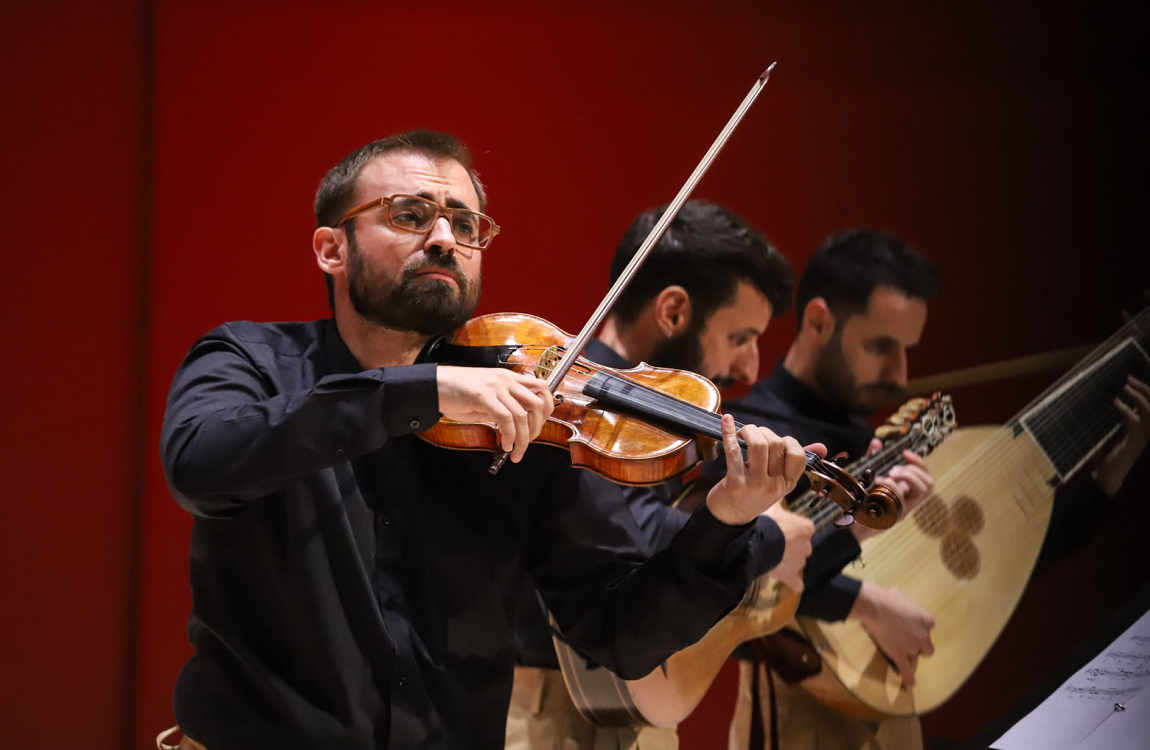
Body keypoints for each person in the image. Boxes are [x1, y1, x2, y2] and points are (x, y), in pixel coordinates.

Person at [156, 130, 817, 750]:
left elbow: (620, 635)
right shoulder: (250, 361)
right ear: (332, 248)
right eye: (410, 214)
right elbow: (202, 464)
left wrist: (725, 518)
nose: (445, 238)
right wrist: (424, 391)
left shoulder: (521, 421)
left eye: (466, 224)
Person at [505, 200, 816, 750]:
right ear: (672, 312)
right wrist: (762, 534)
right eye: (740, 337)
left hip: (630, 717)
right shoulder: (564, 414)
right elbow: (637, 538)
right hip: (545, 722)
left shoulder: (655, 430)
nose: (748, 368)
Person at [725, 230, 940, 750]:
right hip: (801, 715)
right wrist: (867, 603)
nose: (900, 375)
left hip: (887, 703)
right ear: (819, 321)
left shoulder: (868, 439)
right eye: (881, 347)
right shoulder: (752, 433)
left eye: (907, 350)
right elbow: (745, 582)